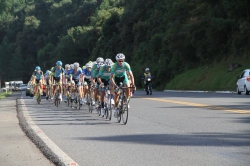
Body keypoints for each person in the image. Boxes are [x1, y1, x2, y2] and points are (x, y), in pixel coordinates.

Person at [110, 53, 136, 117]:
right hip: (116, 79)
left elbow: (131, 75)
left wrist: (133, 84)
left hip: (123, 77)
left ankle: (126, 101)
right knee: (117, 94)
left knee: (127, 87)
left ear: (124, 60)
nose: (121, 62)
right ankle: (116, 108)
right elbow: (111, 77)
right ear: (117, 60)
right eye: (119, 60)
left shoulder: (126, 65)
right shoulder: (114, 66)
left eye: (122, 60)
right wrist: (114, 85)